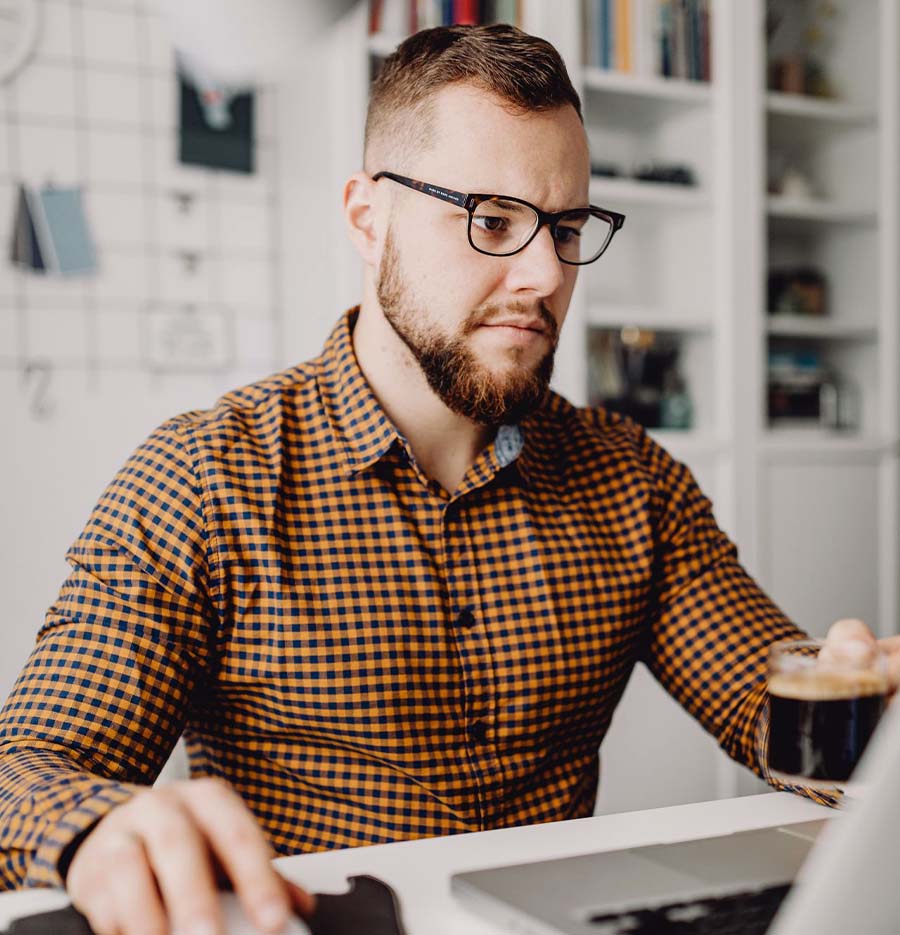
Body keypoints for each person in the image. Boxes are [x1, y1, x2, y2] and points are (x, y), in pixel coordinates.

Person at [1, 22, 898, 935]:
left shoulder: (635, 480)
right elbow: (27, 767)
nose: (546, 274)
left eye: (569, 227)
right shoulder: (204, 477)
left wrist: (862, 702)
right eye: (493, 220)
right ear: (367, 218)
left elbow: (769, 702)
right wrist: (102, 830)